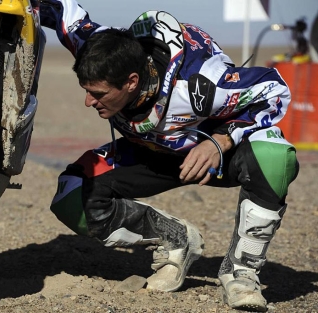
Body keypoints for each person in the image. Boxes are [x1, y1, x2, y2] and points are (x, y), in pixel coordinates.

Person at [39, 1, 299, 311]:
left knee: (275, 155)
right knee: (72, 196)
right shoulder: (98, 49)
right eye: (86, 90)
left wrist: (220, 141)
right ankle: (175, 240)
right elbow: (63, 11)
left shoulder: (202, 82)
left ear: (131, 82)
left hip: (212, 155)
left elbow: (273, 89)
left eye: (97, 94)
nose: (87, 102)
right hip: (152, 152)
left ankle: (241, 273)